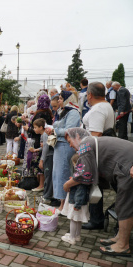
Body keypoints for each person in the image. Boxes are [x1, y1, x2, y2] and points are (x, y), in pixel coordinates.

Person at [64, 128, 133, 257]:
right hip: (126, 164)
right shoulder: (90, 142)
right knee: (122, 204)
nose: (70, 145)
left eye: (70, 141)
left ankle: (123, 245)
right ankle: (120, 238)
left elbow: (84, 173)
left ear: (77, 136)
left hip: (127, 166)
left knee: (125, 205)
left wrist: (67, 184)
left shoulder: (85, 144)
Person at [81, 82, 115, 230]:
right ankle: (96, 217)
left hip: (95, 152)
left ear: (90, 94)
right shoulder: (106, 106)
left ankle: (96, 219)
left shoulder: (98, 109)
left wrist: (85, 153)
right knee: (96, 184)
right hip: (101, 150)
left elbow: (95, 135)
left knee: (93, 184)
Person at [45, 90, 81, 211]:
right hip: (59, 145)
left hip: (66, 145)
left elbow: (69, 130)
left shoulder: (74, 112)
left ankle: (64, 204)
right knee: (57, 174)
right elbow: (59, 125)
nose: (59, 100)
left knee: (63, 173)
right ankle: (62, 201)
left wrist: (54, 130)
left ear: (68, 99)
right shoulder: (64, 111)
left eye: (61, 98)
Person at [61, 153, 91, 245]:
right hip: (81, 203)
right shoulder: (84, 176)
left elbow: (80, 192)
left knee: (73, 219)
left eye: (74, 164)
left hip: (76, 202)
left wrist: (77, 205)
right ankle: (77, 235)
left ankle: (72, 238)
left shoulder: (79, 179)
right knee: (78, 220)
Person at [25, 94, 53, 191]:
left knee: (39, 165)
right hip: (41, 142)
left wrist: (28, 128)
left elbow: (36, 127)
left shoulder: (40, 114)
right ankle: (41, 184)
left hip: (38, 141)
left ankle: (40, 185)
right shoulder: (49, 112)